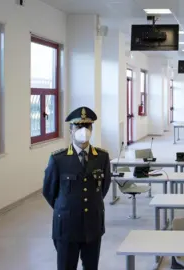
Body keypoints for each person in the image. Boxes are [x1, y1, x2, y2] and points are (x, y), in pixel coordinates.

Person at [43, 107, 111, 270]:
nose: (83, 131)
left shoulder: (101, 157)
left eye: (87, 126)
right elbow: (49, 191)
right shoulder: (58, 159)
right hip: (67, 225)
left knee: (91, 266)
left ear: (92, 129)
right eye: (78, 127)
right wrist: (67, 207)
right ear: (71, 130)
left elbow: (104, 187)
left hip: (93, 225)